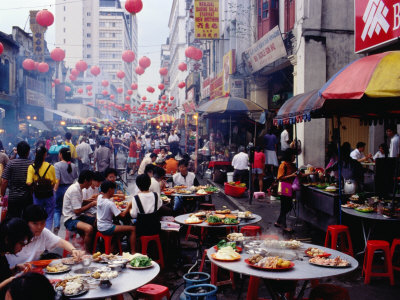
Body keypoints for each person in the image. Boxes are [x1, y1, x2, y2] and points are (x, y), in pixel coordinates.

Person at [6, 205, 84, 268]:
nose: (40, 227)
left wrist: (73, 250)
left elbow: (61, 242)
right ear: (26, 223)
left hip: (32, 270)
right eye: (35, 223)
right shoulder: (16, 235)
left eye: (42, 223)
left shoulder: (43, 233)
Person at [96, 181, 135, 253]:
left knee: (120, 230)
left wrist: (118, 195)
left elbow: (107, 195)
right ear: (110, 190)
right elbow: (123, 215)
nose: (114, 191)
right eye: (113, 190)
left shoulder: (99, 197)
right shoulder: (110, 203)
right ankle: (133, 253)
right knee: (132, 228)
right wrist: (129, 206)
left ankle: (112, 248)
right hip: (107, 227)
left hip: (99, 226)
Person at [62, 170, 96, 252]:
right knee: (89, 229)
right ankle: (88, 253)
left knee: (97, 222)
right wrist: (91, 204)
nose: (92, 183)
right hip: (70, 219)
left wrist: (90, 200)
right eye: (91, 181)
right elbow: (77, 211)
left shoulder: (79, 188)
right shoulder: (75, 190)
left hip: (77, 217)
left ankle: (92, 246)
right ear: (85, 181)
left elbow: (79, 202)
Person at [0, 218, 33, 300]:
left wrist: (16, 268)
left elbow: (3, 274)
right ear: (7, 239)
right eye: (21, 243)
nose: (22, 247)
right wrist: (10, 280)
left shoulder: (3, 253)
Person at [26, 146, 56, 230]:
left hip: (37, 195)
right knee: (49, 216)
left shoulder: (31, 167)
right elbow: (54, 182)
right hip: (49, 194)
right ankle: (47, 234)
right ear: (45, 155)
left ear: (35, 154)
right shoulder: (51, 167)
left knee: (37, 216)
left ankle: (38, 233)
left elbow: (29, 182)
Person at [1, 142, 32, 218]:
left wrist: (2, 194)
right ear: (28, 152)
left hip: (13, 197)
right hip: (28, 197)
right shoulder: (32, 164)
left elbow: (4, 181)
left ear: (17, 151)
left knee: (13, 219)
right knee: (26, 219)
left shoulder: (11, 163)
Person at [53, 148, 78, 235]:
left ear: (61, 155)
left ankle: (56, 225)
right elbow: (75, 177)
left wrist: (54, 190)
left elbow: (57, 180)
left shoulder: (57, 165)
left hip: (60, 189)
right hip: (70, 189)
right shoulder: (74, 165)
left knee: (57, 209)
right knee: (70, 210)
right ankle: (71, 229)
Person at [275, 149, 299, 233]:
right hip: (284, 187)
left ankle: (278, 222)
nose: (294, 157)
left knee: (287, 206)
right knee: (285, 206)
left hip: (289, 188)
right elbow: (279, 177)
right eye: (293, 156)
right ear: (289, 156)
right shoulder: (283, 165)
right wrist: (291, 175)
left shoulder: (292, 165)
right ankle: (284, 226)